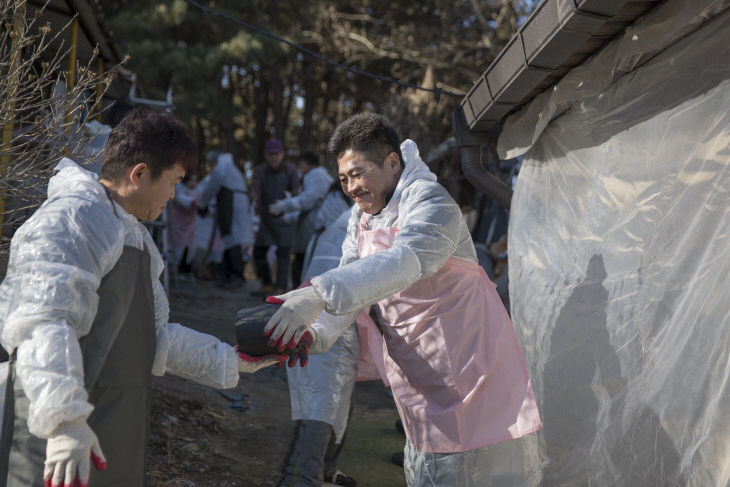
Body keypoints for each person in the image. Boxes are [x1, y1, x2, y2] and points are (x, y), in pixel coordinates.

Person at [0, 107, 283, 487]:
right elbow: (44, 323)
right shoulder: (70, 220)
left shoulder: (136, 238)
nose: (174, 194)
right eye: (173, 181)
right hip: (53, 439)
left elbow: (153, 337)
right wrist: (64, 421)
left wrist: (229, 361)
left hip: (112, 428)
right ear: (139, 174)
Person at [265, 113, 543, 486]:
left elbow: (404, 261)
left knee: (469, 475)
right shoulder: (360, 219)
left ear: (392, 162)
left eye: (358, 173)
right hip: (417, 372)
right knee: (424, 472)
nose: (351, 187)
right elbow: (352, 293)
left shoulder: (432, 203)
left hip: (470, 369)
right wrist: (315, 334)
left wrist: (317, 292)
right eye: (344, 178)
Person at [268, 151, 333, 287]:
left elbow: (307, 201)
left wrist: (283, 206)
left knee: (303, 263)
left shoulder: (318, 175)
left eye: (300, 164)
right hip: (310, 228)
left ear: (307, 164)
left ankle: (301, 294)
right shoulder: (313, 177)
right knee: (300, 262)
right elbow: (304, 207)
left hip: (315, 228)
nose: (299, 168)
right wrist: (284, 214)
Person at [250, 138, 300, 294]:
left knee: (283, 253)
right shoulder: (260, 171)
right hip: (265, 217)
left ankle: (281, 287)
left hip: (285, 218)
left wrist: (289, 202)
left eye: (276, 154)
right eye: (270, 154)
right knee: (258, 251)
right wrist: (254, 202)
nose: (273, 157)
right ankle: (266, 282)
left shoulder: (291, 170)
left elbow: (297, 191)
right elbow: (255, 189)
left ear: (282, 154)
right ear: (266, 155)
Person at [196, 151, 254, 285]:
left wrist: (202, 203)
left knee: (232, 238)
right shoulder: (230, 167)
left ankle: (236, 275)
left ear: (213, 162)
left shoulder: (221, 167)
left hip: (231, 203)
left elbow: (212, 187)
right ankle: (228, 274)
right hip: (235, 202)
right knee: (231, 239)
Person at [167, 172, 199, 278]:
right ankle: (175, 270)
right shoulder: (178, 189)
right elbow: (183, 200)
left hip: (190, 225)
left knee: (189, 248)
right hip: (178, 224)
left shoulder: (196, 191)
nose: (193, 183)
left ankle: (185, 270)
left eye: (195, 181)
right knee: (178, 247)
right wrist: (196, 203)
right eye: (191, 181)